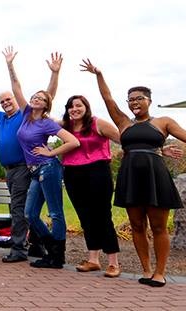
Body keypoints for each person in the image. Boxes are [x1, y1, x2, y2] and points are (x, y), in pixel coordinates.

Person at [81, 58, 186, 287]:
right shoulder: (123, 123)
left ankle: (160, 272)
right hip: (130, 176)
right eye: (131, 99)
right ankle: (146, 269)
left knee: (159, 226)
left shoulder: (163, 122)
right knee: (137, 225)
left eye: (139, 98)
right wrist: (99, 75)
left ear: (149, 100)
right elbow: (108, 99)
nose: (134, 103)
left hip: (156, 176)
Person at [0, 53, 60, 262]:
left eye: (8, 99)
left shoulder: (25, 116)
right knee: (23, 209)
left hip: (24, 167)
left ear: (16, 101)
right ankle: (37, 245)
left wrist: (54, 73)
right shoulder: (0, 117)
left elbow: (48, 95)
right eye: (2, 101)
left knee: (19, 209)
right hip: (9, 171)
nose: (5, 103)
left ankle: (19, 249)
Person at [7, 46, 80, 269]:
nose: (35, 99)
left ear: (46, 104)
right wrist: (10, 65)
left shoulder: (47, 123)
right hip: (34, 171)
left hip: (48, 168)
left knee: (56, 212)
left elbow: (73, 142)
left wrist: (50, 152)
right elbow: (16, 87)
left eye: (40, 98)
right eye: (33, 97)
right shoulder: (27, 116)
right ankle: (53, 250)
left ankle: (57, 256)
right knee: (30, 214)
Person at [59, 95, 122, 277]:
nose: (75, 109)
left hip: (97, 171)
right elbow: (40, 113)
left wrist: (157, 149)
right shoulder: (66, 126)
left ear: (86, 107)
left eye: (78, 105)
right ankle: (93, 260)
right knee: (85, 216)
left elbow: (124, 139)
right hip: (72, 173)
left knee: (102, 215)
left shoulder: (98, 123)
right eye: (71, 106)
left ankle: (113, 262)